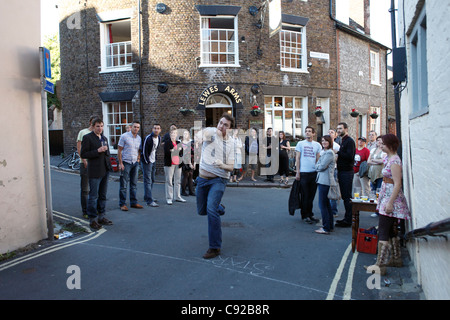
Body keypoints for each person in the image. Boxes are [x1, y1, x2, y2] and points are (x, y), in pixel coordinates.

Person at [368, 134, 410, 275]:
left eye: (383, 144)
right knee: (391, 231)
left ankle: (380, 265)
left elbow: (398, 183)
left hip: (391, 199)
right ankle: (396, 259)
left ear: (390, 145)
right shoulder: (388, 158)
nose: (381, 145)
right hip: (385, 196)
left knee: (384, 231)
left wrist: (390, 203)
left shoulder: (395, 162)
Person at [195, 114, 235, 259]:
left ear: (230, 129)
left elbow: (231, 167)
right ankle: (219, 206)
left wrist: (222, 164)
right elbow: (202, 133)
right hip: (202, 179)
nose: (221, 126)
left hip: (219, 180)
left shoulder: (231, 143)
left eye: (225, 125)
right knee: (201, 210)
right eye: (220, 123)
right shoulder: (212, 132)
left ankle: (215, 247)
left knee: (211, 210)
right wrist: (199, 137)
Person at [80, 118, 113, 230]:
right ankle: (92, 219)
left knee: (103, 195)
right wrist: (97, 151)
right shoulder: (87, 137)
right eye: (98, 126)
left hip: (105, 170)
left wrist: (109, 165)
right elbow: (84, 154)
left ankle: (101, 217)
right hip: (94, 171)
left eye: (102, 126)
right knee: (93, 196)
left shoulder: (104, 138)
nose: (100, 128)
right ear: (93, 126)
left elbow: (107, 153)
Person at [295, 126, 321, 224]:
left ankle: (310, 214)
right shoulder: (300, 144)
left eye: (310, 131)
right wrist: (298, 172)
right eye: (306, 131)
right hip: (304, 173)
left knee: (311, 195)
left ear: (313, 133)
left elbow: (318, 159)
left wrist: (318, 171)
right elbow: (297, 158)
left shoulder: (317, 145)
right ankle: (304, 215)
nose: (307, 133)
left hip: (313, 173)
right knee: (305, 195)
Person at [118, 121, 143, 211]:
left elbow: (138, 150)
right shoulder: (124, 136)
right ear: (131, 127)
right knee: (124, 184)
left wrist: (139, 158)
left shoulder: (139, 138)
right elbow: (119, 150)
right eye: (135, 127)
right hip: (126, 162)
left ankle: (133, 202)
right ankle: (122, 204)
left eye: (138, 127)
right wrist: (120, 163)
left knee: (134, 184)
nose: (136, 128)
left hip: (135, 163)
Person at [335, 122, 356, 228]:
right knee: (345, 196)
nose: (338, 130)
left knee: (347, 196)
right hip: (342, 171)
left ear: (346, 129)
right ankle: (347, 218)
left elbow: (350, 156)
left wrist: (338, 153)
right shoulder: (341, 140)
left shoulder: (349, 141)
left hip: (347, 172)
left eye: (340, 128)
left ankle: (349, 220)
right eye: (337, 129)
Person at [315, 135, 336, 234]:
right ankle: (329, 225)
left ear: (330, 142)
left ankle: (326, 227)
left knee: (322, 204)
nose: (323, 142)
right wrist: (318, 165)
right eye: (322, 140)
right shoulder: (326, 152)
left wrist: (317, 165)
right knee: (326, 205)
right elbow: (320, 164)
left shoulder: (329, 153)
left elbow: (321, 166)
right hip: (324, 180)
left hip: (325, 181)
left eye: (326, 141)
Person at [76, 115, 96, 219]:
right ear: (90, 123)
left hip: (95, 164)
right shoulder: (83, 132)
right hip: (85, 164)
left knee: (94, 188)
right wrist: (84, 160)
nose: (94, 125)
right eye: (93, 123)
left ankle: (92, 209)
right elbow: (79, 148)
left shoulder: (97, 134)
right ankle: (85, 211)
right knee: (85, 189)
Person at [141, 123, 162, 207]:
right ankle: (149, 200)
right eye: (155, 128)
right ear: (152, 129)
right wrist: (147, 162)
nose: (156, 130)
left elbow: (155, 150)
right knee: (148, 180)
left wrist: (154, 160)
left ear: (160, 130)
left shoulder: (159, 138)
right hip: (147, 162)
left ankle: (147, 196)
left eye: (158, 128)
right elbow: (144, 151)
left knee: (152, 179)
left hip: (153, 161)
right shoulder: (148, 138)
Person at [164, 128, 185, 205]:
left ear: (177, 135)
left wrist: (173, 150)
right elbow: (167, 152)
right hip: (170, 164)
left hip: (178, 164)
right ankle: (169, 198)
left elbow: (181, 152)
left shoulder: (178, 142)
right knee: (169, 181)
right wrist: (176, 150)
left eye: (175, 133)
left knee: (178, 181)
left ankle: (177, 196)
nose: (173, 135)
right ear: (170, 134)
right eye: (172, 133)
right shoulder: (167, 142)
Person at [327, 128, 341, 217]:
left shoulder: (337, 146)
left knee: (333, 190)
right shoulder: (324, 145)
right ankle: (327, 209)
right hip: (325, 170)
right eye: (328, 132)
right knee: (326, 190)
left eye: (332, 132)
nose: (329, 133)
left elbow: (337, 159)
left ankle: (333, 211)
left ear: (335, 136)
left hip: (334, 170)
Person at [181, 130, 195, 196]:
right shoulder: (181, 143)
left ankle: (190, 191)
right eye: (184, 134)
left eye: (187, 134)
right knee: (186, 175)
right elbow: (184, 153)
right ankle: (183, 191)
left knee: (191, 176)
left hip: (191, 160)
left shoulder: (191, 142)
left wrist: (194, 163)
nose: (185, 135)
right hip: (185, 160)